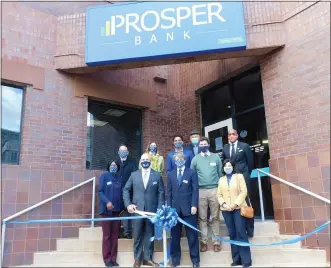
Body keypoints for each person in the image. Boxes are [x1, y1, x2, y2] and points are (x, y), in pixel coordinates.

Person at [123, 153, 165, 267]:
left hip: (152, 211)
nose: (145, 161)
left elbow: (161, 193)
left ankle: (148, 258)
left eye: (147, 159)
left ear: (150, 161)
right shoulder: (134, 175)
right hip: (137, 210)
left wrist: (160, 209)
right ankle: (137, 259)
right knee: (137, 235)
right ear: (140, 161)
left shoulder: (157, 175)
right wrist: (128, 205)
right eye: (143, 159)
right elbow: (126, 190)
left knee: (149, 234)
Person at [167, 152, 200, 267]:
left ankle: (195, 261)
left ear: (185, 160)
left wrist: (194, 205)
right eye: (177, 159)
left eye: (181, 158)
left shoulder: (191, 172)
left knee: (192, 237)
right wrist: (170, 209)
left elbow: (195, 190)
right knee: (175, 237)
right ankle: (175, 261)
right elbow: (169, 193)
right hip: (175, 211)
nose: (179, 160)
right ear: (174, 161)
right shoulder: (170, 174)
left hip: (189, 210)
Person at [217, 159, 252, 267]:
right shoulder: (221, 179)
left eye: (229, 165)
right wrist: (224, 204)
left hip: (238, 208)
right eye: (225, 166)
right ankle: (236, 259)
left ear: (233, 166)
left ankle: (246, 260)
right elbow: (219, 195)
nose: (227, 167)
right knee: (232, 234)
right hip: (226, 210)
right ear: (223, 168)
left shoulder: (239, 177)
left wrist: (235, 204)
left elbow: (243, 191)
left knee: (241, 232)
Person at [190, 137, 222, 252]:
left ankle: (216, 242)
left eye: (205, 144)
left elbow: (220, 173)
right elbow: (192, 176)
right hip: (200, 191)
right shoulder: (195, 159)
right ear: (199, 146)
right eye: (201, 144)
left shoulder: (216, 157)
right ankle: (203, 242)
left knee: (215, 217)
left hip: (214, 189)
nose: (203, 145)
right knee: (202, 217)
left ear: (208, 144)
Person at [222, 129, 254, 238]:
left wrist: (246, 174)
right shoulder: (225, 148)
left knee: (246, 203)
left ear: (237, 136)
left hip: (243, 177)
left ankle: (249, 229)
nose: (231, 136)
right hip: (231, 179)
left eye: (233, 134)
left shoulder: (244, 146)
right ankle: (235, 229)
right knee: (233, 202)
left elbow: (250, 162)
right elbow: (225, 163)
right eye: (229, 134)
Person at [98, 161, 122, 267]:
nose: (113, 167)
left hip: (117, 212)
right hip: (107, 212)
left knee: (115, 236)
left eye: (115, 166)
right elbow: (100, 192)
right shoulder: (104, 176)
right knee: (107, 236)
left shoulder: (119, 177)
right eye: (112, 165)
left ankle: (113, 258)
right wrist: (107, 202)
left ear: (118, 167)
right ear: (109, 166)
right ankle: (107, 259)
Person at [115, 145, 136, 239]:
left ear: (127, 152)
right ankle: (116, 232)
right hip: (116, 191)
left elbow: (135, 176)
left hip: (129, 191)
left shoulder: (132, 162)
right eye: (121, 150)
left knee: (128, 211)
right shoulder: (114, 162)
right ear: (118, 152)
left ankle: (127, 232)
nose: (123, 152)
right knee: (117, 211)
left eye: (125, 150)